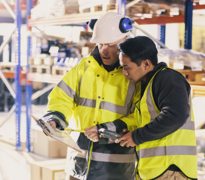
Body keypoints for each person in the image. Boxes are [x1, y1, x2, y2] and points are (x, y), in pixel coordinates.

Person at [41, 12, 139, 180]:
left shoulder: (134, 75)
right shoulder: (83, 68)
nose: (104, 51)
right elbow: (62, 98)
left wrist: (106, 130)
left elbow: (141, 116)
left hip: (115, 168)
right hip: (79, 164)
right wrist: (55, 118)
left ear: (124, 42)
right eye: (100, 44)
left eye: (110, 45)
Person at [116, 36, 197, 180]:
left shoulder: (168, 78)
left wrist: (136, 136)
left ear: (146, 64)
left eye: (127, 67)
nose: (124, 73)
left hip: (171, 170)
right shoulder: (148, 84)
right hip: (156, 171)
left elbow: (175, 116)